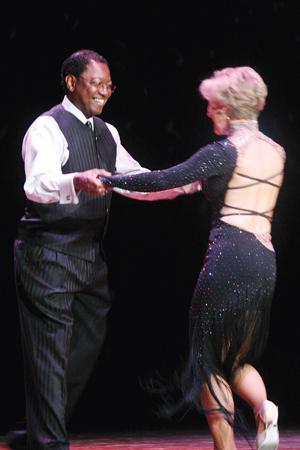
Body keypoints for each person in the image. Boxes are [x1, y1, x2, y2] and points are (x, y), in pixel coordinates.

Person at [10, 49, 201, 450]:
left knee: (85, 347)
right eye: (96, 83)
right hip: (47, 254)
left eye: (108, 85)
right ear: (71, 82)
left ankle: (39, 431)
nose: (104, 91)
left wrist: (185, 183)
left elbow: (134, 180)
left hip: (89, 258)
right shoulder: (47, 128)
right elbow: (36, 184)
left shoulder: (107, 133)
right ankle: (48, 443)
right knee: (49, 353)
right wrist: (76, 181)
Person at [100, 66, 285, 450]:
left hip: (229, 258)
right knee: (235, 358)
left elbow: (161, 180)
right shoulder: (276, 152)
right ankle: (264, 406)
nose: (207, 113)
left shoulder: (224, 151)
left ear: (229, 108)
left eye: (212, 105)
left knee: (208, 362)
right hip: (264, 260)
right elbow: (177, 186)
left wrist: (108, 179)